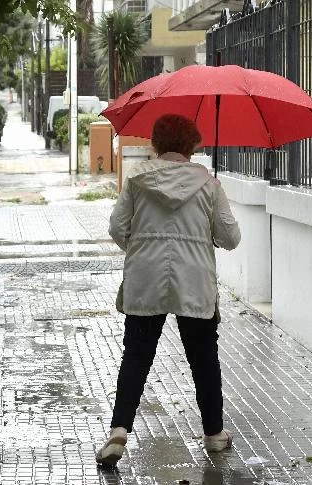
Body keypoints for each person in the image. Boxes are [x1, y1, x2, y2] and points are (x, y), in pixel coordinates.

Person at [96, 114, 241, 467]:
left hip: (145, 278)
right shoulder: (208, 184)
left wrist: (142, 246)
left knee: (136, 357)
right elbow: (231, 238)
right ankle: (214, 433)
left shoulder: (137, 180)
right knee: (203, 358)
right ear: (191, 146)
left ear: (156, 144)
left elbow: (117, 227)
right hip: (194, 281)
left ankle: (118, 431)